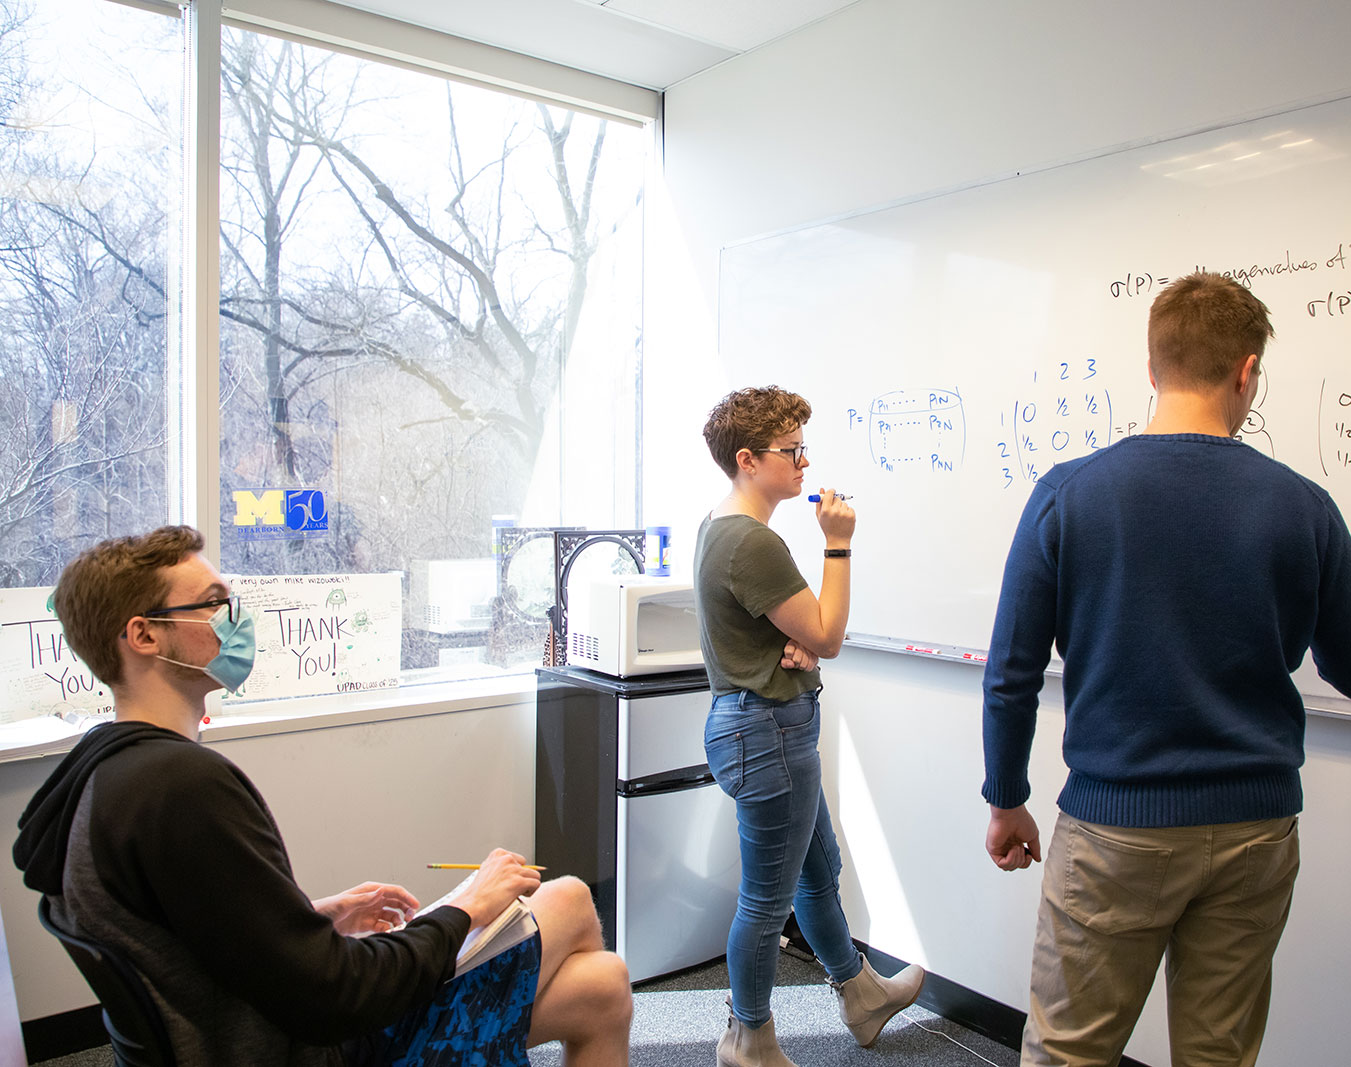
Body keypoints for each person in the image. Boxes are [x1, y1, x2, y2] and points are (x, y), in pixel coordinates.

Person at [13, 526, 633, 1066]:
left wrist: (310, 918)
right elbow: (338, 997)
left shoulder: (106, 773)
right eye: (213, 605)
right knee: (571, 896)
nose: (236, 621)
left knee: (602, 987)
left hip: (246, 1031)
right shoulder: (182, 786)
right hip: (318, 1046)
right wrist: (470, 906)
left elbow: (199, 933)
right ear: (144, 636)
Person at [981, 272, 1351, 1067]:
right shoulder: (1306, 507)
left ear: (1151, 369)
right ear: (1246, 371)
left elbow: (1012, 670)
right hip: (1255, 831)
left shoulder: (1069, 495)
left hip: (1112, 826)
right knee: (1218, 1056)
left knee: (1067, 1053)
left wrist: (1006, 797)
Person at [696, 387, 925, 1067]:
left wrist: (790, 644)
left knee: (817, 871)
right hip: (764, 731)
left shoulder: (721, 526)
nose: (803, 463)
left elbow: (787, 630)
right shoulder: (751, 539)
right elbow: (827, 632)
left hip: (766, 725)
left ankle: (862, 995)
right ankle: (748, 1036)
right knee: (768, 903)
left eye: (804, 449)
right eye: (790, 451)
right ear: (746, 458)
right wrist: (838, 544)